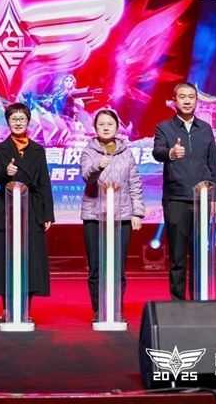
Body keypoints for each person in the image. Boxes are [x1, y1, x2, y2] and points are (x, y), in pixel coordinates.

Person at [152, 82, 216, 300]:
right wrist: (170, 153)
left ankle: (199, 299)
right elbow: (157, 152)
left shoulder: (206, 128)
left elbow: (214, 164)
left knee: (200, 252)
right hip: (176, 199)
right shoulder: (164, 127)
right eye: (182, 97)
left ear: (196, 101)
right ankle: (177, 302)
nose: (187, 101)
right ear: (174, 101)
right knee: (178, 255)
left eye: (191, 97)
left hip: (203, 199)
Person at [0, 103, 54, 326]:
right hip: (6, 209)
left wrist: (47, 214)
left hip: (31, 208)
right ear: (8, 122)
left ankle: (25, 309)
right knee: (5, 258)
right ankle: (6, 310)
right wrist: (5, 172)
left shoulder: (37, 150)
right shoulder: (0, 149)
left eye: (21, 119)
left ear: (28, 122)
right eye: (14, 119)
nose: (18, 122)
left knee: (30, 258)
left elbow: (44, 183)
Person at [80, 108, 145, 321]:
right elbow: (86, 176)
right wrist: (98, 166)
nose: (106, 127)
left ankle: (116, 308)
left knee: (118, 267)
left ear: (117, 127)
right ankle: (99, 309)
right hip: (94, 215)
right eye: (101, 124)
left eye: (110, 124)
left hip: (121, 216)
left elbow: (134, 183)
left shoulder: (126, 152)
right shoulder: (89, 151)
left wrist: (137, 213)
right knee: (96, 267)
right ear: (95, 128)